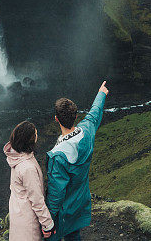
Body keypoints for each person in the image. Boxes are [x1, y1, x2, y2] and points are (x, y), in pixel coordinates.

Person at [46, 81, 109, 241]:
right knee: (73, 235)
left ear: (56, 119)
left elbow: (56, 193)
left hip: (64, 211)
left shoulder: (58, 156)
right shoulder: (86, 131)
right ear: (76, 116)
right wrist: (101, 93)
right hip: (80, 201)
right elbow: (94, 114)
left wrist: (48, 222)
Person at [4, 121, 56, 240]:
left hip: (18, 214)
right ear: (30, 140)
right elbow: (36, 199)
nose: (37, 136)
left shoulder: (16, 156)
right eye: (35, 134)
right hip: (28, 223)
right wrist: (48, 225)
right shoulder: (27, 167)